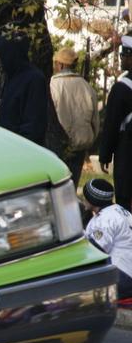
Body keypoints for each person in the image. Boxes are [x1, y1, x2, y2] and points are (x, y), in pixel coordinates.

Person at [50, 46, 98, 186]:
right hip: (80, 146)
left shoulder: (53, 85)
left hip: (58, 146)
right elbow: (95, 121)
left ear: (61, 64)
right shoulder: (86, 86)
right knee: (72, 185)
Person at [0, 30, 48, 146]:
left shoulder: (34, 79)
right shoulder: (9, 77)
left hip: (22, 151)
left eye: (1, 53)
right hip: (6, 147)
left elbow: (34, 125)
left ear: (10, 53)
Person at [98, 34, 132, 209]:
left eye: (124, 55)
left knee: (126, 202)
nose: (122, 59)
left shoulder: (121, 88)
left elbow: (111, 124)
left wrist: (105, 154)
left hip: (127, 153)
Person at [83, 178, 132, 298]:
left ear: (92, 199)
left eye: (86, 196)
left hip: (122, 277)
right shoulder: (119, 210)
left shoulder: (105, 220)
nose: (83, 199)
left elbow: (95, 252)